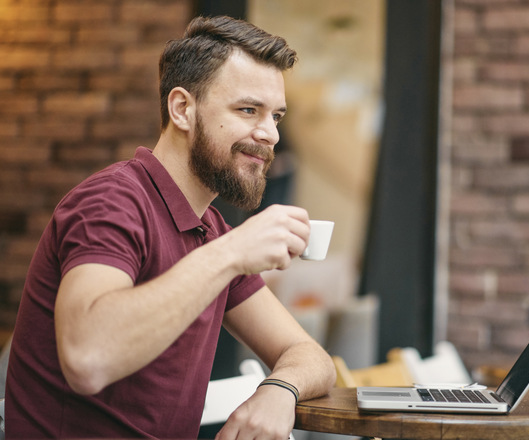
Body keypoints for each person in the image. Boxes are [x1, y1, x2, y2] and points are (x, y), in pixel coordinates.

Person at [5, 15, 336, 439]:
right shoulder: (112, 202)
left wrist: (280, 389)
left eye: (277, 116)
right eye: (249, 110)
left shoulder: (209, 229)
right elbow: (89, 358)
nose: (270, 133)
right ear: (182, 109)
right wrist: (233, 253)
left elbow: (309, 356)